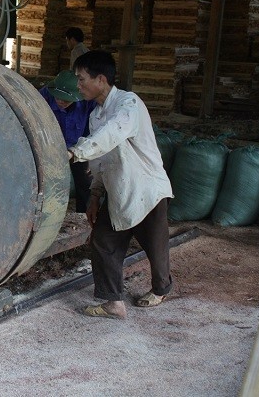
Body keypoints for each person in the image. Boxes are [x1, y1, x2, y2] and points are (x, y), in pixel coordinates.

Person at [67, 50, 173, 320]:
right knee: (103, 242)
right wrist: (94, 195)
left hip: (146, 189)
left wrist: (74, 152)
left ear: (101, 79)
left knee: (155, 246)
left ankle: (161, 289)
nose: (78, 86)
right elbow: (103, 160)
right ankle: (113, 303)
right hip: (119, 191)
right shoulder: (97, 115)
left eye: (81, 80)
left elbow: (110, 135)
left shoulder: (129, 104)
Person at [38, 70, 96, 213]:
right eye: (58, 98)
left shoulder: (88, 101)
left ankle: (83, 217)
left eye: (66, 99)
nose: (61, 101)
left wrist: (91, 155)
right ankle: (49, 215)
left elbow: (96, 128)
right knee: (48, 184)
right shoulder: (43, 96)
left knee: (85, 183)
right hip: (51, 149)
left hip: (79, 147)